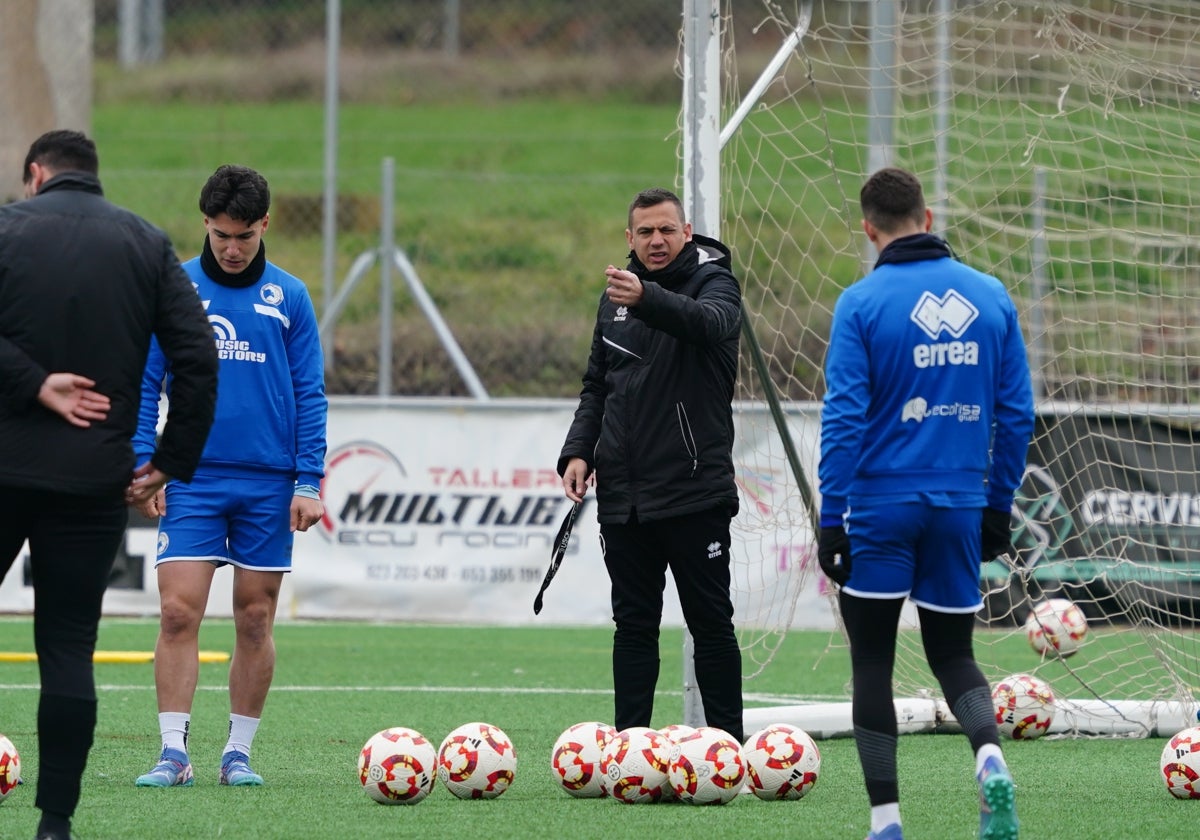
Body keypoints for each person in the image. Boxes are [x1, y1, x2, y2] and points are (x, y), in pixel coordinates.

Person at [0, 130, 218, 840]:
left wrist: (35, 385)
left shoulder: (6, 228)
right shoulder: (144, 243)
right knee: (67, 646)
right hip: (96, 479)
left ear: (36, 175)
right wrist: (168, 459)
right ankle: (55, 823)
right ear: (94, 177)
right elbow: (198, 357)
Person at [817, 167, 1034, 840]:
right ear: (929, 215)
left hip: (881, 507)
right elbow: (1018, 414)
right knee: (954, 655)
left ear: (868, 228)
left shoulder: (861, 302)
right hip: (959, 504)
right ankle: (989, 756)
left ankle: (886, 822)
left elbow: (845, 416)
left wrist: (831, 514)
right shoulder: (991, 295)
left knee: (873, 663)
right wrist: (996, 505)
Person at [132, 165, 327, 789]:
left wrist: (309, 479)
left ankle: (237, 753)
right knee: (176, 612)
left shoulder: (290, 296)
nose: (232, 248)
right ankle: (173, 752)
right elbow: (145, 383)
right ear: (205, 227)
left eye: (243, 235)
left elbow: (309, 393)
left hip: (269, 483)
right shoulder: (176, 289)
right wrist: (147, 464)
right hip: (191, 476)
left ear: (264, 225)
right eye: (220, 235)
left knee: (253, 617)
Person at [558, 187, 744, 742]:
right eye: (645, 232)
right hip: (625, 498)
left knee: (710, 625)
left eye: (667, 230)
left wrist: (647, 298)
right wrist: (579, 449)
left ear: (686, 232)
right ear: (629, 238)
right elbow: (598, 384)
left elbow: (709, 324)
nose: (656, 240)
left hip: (694, 492)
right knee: (633, 628)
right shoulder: (614, 297)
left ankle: (727, 748)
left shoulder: (716, 282)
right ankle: (628, 750)